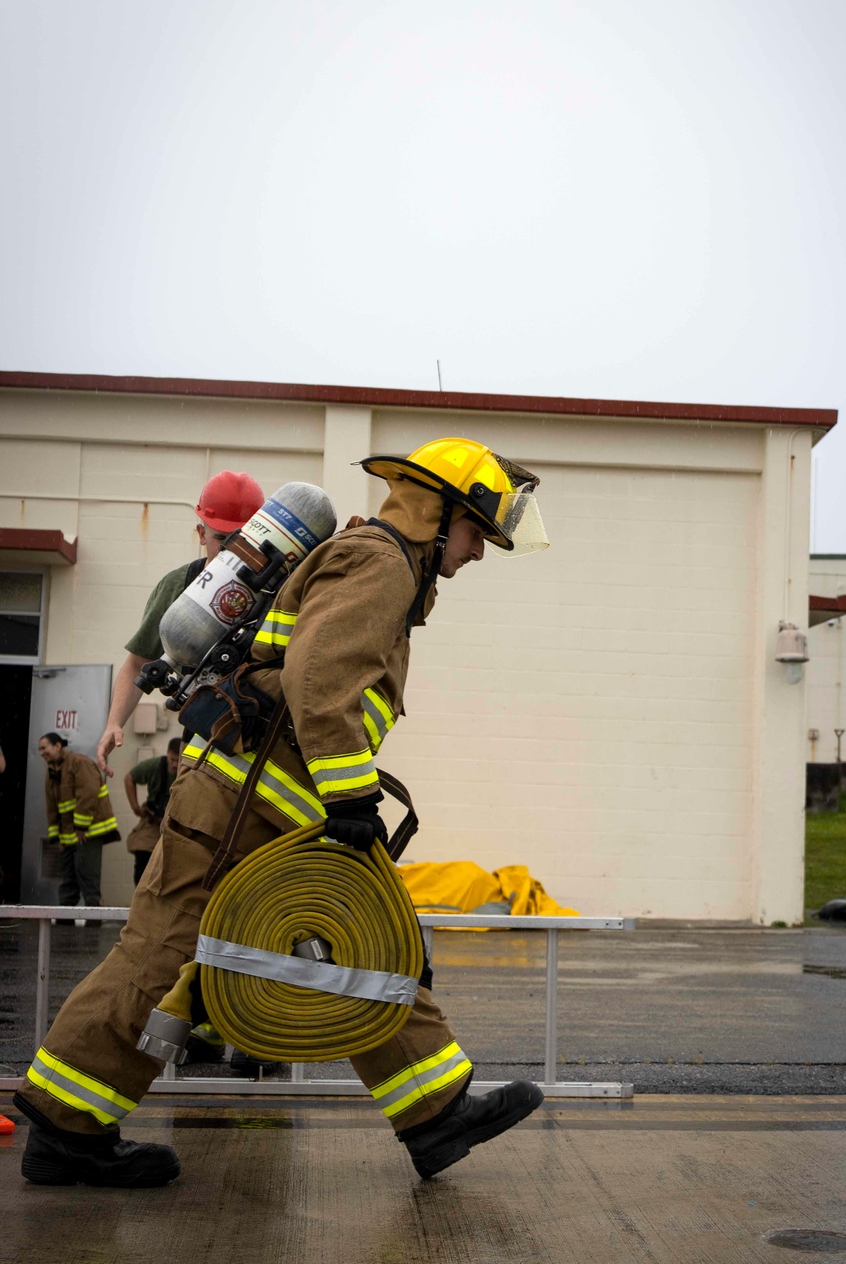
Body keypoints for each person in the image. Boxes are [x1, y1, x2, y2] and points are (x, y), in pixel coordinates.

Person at [15, 437, 549, 1187]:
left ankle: (435, 1112)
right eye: (475, 533)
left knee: (364, 945)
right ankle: (66, 1127)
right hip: (244, 804)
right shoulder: (383, 563)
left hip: (266, 802)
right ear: (441, 514)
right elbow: (319, 674)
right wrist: (350, 795)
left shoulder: (378, 560)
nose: (479, 553)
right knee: (159, 956)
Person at [97, 470, 265, 776]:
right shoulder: (178, 586)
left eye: (242, 540)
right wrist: (114, 723)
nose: (231, 550)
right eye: (221, 539)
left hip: (267, 740)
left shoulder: (278, 588)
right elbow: (139, 664)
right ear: (201, 535)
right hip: (204, 738)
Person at [38, 732, 120, 916]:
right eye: (39, 750)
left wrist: (80, 827)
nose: (42, 752)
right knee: (68, 879)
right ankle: (64, 922)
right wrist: (56, 836)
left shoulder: (79, 763)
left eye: (44, 747)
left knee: (87, 876)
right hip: (69, 835)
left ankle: (93, 925)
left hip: (88, 832)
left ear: (58, 745)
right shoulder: (52, 771)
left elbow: (88, 795)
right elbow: (52, 807)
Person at [124, 739, 180, 885]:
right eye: (172, 760)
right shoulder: (155, 766)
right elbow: (129, 778)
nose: (174, 765)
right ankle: (140, 896)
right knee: (142, 854)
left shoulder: (188, 771)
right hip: (153, 821)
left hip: (175, 825)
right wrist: (135, 807)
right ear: (167, 754)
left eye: (178, 761)